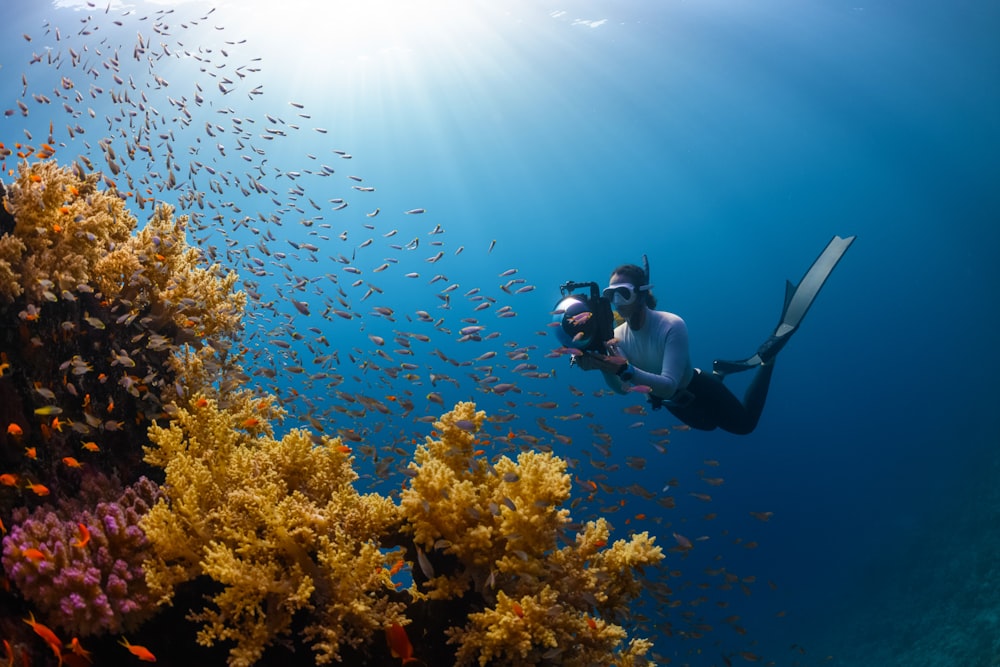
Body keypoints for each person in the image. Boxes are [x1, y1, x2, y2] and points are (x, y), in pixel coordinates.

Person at [575, 236, 855, 434]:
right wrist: (604, 368)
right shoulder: (618, 337)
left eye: (623, 293)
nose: (618, 303)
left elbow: (669, 383)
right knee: (708, 427)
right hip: (670, 402)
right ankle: (720, 371)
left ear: (642, 293)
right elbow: (622, 390)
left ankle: (767, 361)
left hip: (693, 385)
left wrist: (625, 370)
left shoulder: (671, 325)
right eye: (611, 296)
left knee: (744, 426)